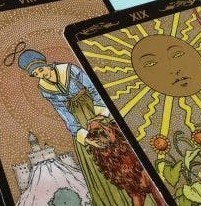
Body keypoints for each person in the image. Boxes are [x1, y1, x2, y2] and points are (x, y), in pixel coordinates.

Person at [18, 49, 131, 205]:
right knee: (92, 158)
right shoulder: (44, 89)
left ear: (45, 64)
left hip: (94, 109)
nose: (40, 75)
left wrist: (101, 114)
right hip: (78, 120)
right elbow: (63, 112)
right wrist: (83, 135)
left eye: (41, 70)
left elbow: (93, 88)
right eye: (36, 74)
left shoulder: (70, 69)